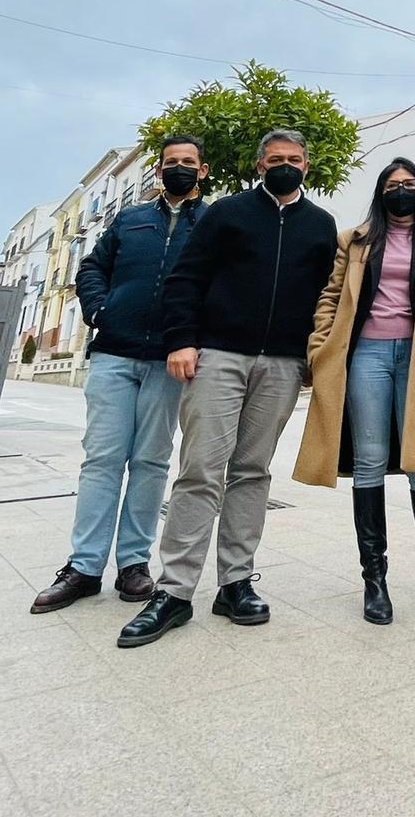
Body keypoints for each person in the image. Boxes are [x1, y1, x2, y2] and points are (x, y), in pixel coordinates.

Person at [117, 129, 337, 647]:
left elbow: (327, 296)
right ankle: (173, 592)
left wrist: (313, 358)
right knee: (199, 472)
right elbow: (186, 278)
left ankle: (236, 583)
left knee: (252, 472)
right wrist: (182, 341)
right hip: (217, 356)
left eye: (294, 159)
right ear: (260, 166)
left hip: (282, 365)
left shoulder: (321, 226)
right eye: (275, 159)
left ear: (306, 166)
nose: (285, 165)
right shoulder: (227, 213)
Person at [30, 137, 209, 614]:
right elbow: (91, 268)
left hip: (171, 361)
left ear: (203, 170)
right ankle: (84, 567)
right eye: (171, 163)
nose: (178, 169)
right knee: (103, 459)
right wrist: (98, 309)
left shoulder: (211, 223)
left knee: (151, 461)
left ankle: (133, 563)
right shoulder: (130, 219)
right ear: (159, 171)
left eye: (187, 163)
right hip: (114, 354)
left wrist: (195, 337)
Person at [294, 157, 415, 624]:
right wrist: (319, 345)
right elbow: (330, 296)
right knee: (369, 461)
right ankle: (375, 580)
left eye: (410, 184)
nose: (402, 190)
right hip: (366, 354)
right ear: (380, 192)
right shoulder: (355, 239)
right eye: (393, 185)